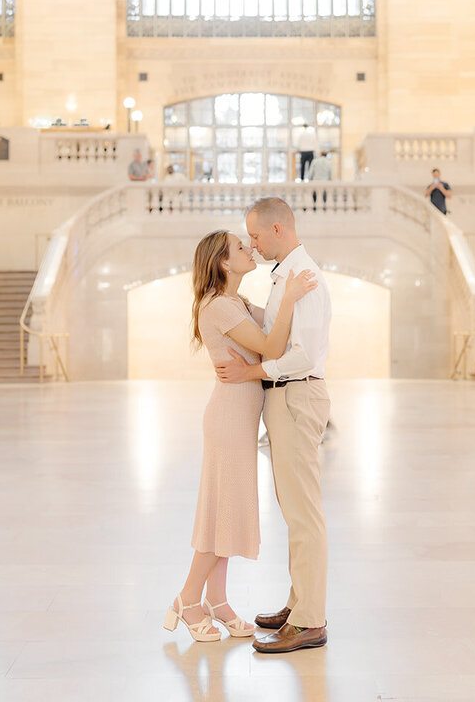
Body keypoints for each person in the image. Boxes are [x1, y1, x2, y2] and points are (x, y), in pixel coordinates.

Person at [164, 231, 317, 643]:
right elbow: (271, 344)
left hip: (238, 419)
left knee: (225, 509)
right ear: (223, 263)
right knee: (224, 512)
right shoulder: (217, 307)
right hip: (229, 419)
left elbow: (271, 336)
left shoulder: (236, 303)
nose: (249, 249)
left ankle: (217, 599)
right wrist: (289, 298)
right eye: (239, 247)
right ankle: (188, 598)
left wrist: (285, 292)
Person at [214, 197, 333, 654]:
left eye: (257, 236)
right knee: (295, 510)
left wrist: (251, 372)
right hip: (286, 400)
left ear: (279, 229)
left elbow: (300, 354)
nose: (253, 243)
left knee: (304, 513)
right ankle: (299, 602)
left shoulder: (305, 278)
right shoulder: (286, 276)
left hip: (297, 395)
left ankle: (310, 621)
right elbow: (275, 333)